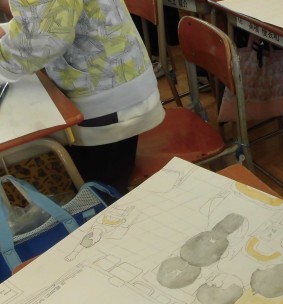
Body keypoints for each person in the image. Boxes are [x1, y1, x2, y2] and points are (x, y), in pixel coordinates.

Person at [0, 0, 164, 194]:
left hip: (107, 94)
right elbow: (45, 16)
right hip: (102, 79)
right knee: (94, 184)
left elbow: (45, 38)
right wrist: (10, 32)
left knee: (101, 195)